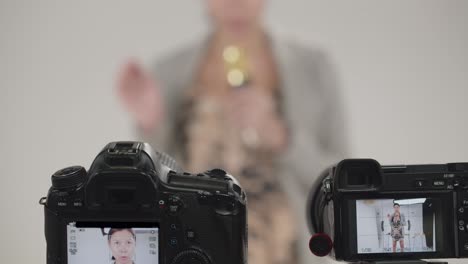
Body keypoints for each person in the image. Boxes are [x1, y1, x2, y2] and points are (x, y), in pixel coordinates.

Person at [117, 1, 348, 263]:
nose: (235, 4)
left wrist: (282, 137)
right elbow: (154, 186)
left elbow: (341, 187)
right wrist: (151, 121)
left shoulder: (313, 67)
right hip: (197, 251)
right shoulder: (168, 71)